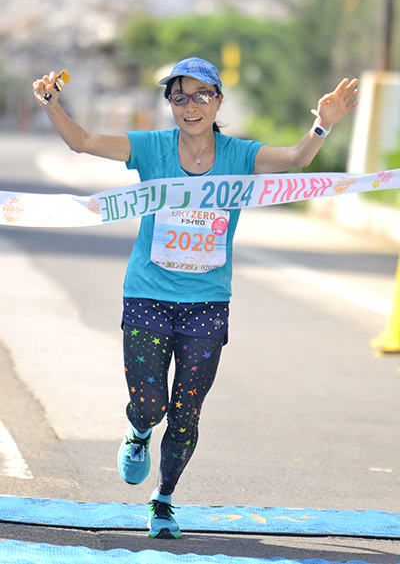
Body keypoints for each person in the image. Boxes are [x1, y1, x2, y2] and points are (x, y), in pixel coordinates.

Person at [33, 57, 358, 539]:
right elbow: (82, 142)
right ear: (170, 104)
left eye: (201, 95)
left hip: (207, 303)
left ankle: (162, 501)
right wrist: (51, 105)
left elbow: (297, 159)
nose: (190, 106)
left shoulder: (240, 155)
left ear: (218, 100)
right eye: (179, 96)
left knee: (186, 411)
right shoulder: (150, 148)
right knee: (150, 404)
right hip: (147, 294)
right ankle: (138, 431)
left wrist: (322, 125)